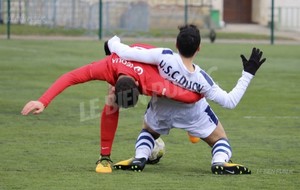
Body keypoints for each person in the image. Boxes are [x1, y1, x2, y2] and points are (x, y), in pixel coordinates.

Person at [107, 24, 266, 174]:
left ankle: (140, 156)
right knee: (219, 139)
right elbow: (230, 102)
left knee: (148, 131)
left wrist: (113, 42)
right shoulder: (202, 78)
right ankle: (219, 161)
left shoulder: (164, 56)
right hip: (192, 114)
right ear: (198, 49)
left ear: (176, 44)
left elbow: (127, 52)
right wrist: (248, 73)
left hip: (162, 109)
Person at [21, 43, 203, 174]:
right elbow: (71, 76)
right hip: (126, 64)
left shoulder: (156, 79)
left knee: (174, 94)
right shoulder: (107, 67)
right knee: (111, 104)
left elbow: (187, 93)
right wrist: (43, 101)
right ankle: (105, 157)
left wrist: (201, 97)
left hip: (151, 59)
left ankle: (190, 127)